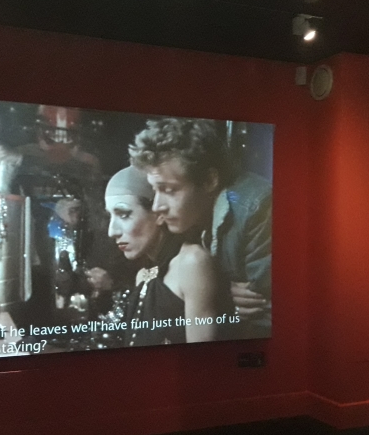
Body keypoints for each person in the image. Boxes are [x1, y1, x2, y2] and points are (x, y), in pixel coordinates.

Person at [128, 118, 271, 339]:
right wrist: (223, 295)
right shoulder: (191, 216)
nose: (157, 206)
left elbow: (272, 315)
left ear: (209, 180)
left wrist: (222, 304)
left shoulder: (257, 208)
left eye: (169, 190)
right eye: (155, 190)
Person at [104, 166, 223, 345]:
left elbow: (203, 357)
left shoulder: (192, 262)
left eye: (124, 214)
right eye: (110, 216)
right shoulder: (143, 276)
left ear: (158, 215)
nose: (112, 231)